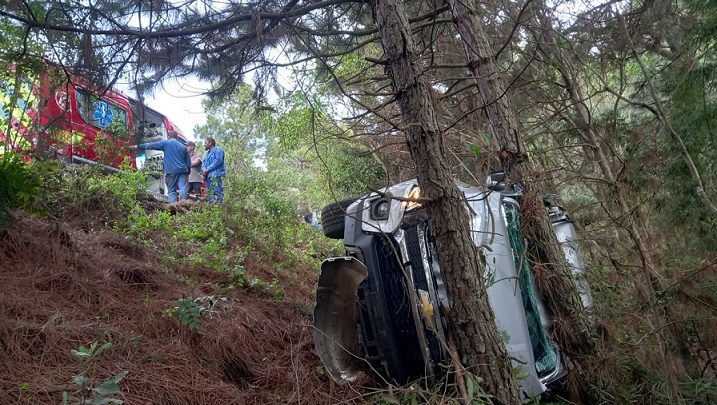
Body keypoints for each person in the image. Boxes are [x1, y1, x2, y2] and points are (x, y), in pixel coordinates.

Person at [130, 130, 191, 203]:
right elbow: (188, 162)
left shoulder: (165, 143)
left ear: (169, 136)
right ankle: (183, 204)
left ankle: (174, 207)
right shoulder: (183, 147)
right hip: (183, 171)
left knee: (171, 191)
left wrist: (138, 146)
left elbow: (151, 145)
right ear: (177, 137)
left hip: (170, 171)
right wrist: (188, 171)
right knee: (183, 188)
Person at [201, 137, 225, 204]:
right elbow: (203, 163)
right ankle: (211, 209)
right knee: (209, 194)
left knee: (218, 192)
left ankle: (221, 208)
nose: (204, 145)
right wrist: (203, 169)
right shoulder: (207, 154)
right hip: (207, 177)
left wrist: (207, 169)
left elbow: (218, 160)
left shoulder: (218, 150)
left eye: (205, 143)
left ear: (210, 143)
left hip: (215, 175)